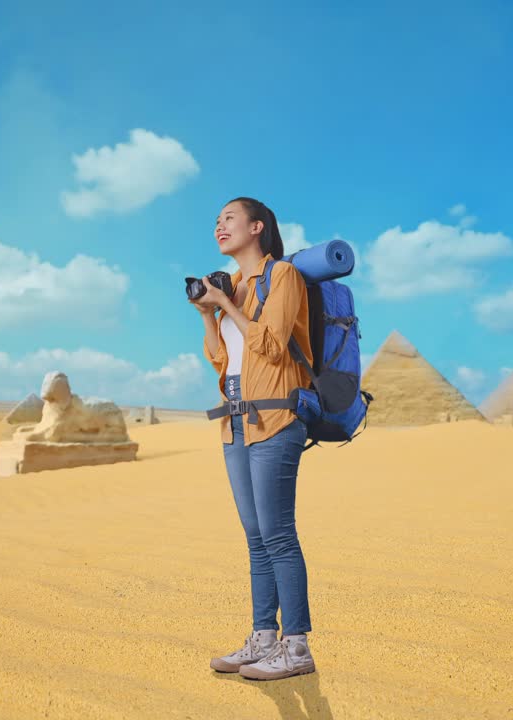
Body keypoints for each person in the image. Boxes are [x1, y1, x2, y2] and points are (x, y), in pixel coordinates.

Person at [189, 197, 316, 681]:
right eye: (216, 219)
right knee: (255, 536)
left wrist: (225, 305)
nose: (219, 225)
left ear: (257, 227)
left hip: (277, 417)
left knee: (279, 533)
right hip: (235, 421)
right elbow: (222, 361)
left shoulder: (281, 276)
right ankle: (263, 638)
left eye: (229, 218)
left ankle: (297, 645)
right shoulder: (235, 286)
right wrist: (209, 313)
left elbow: (270, 345)